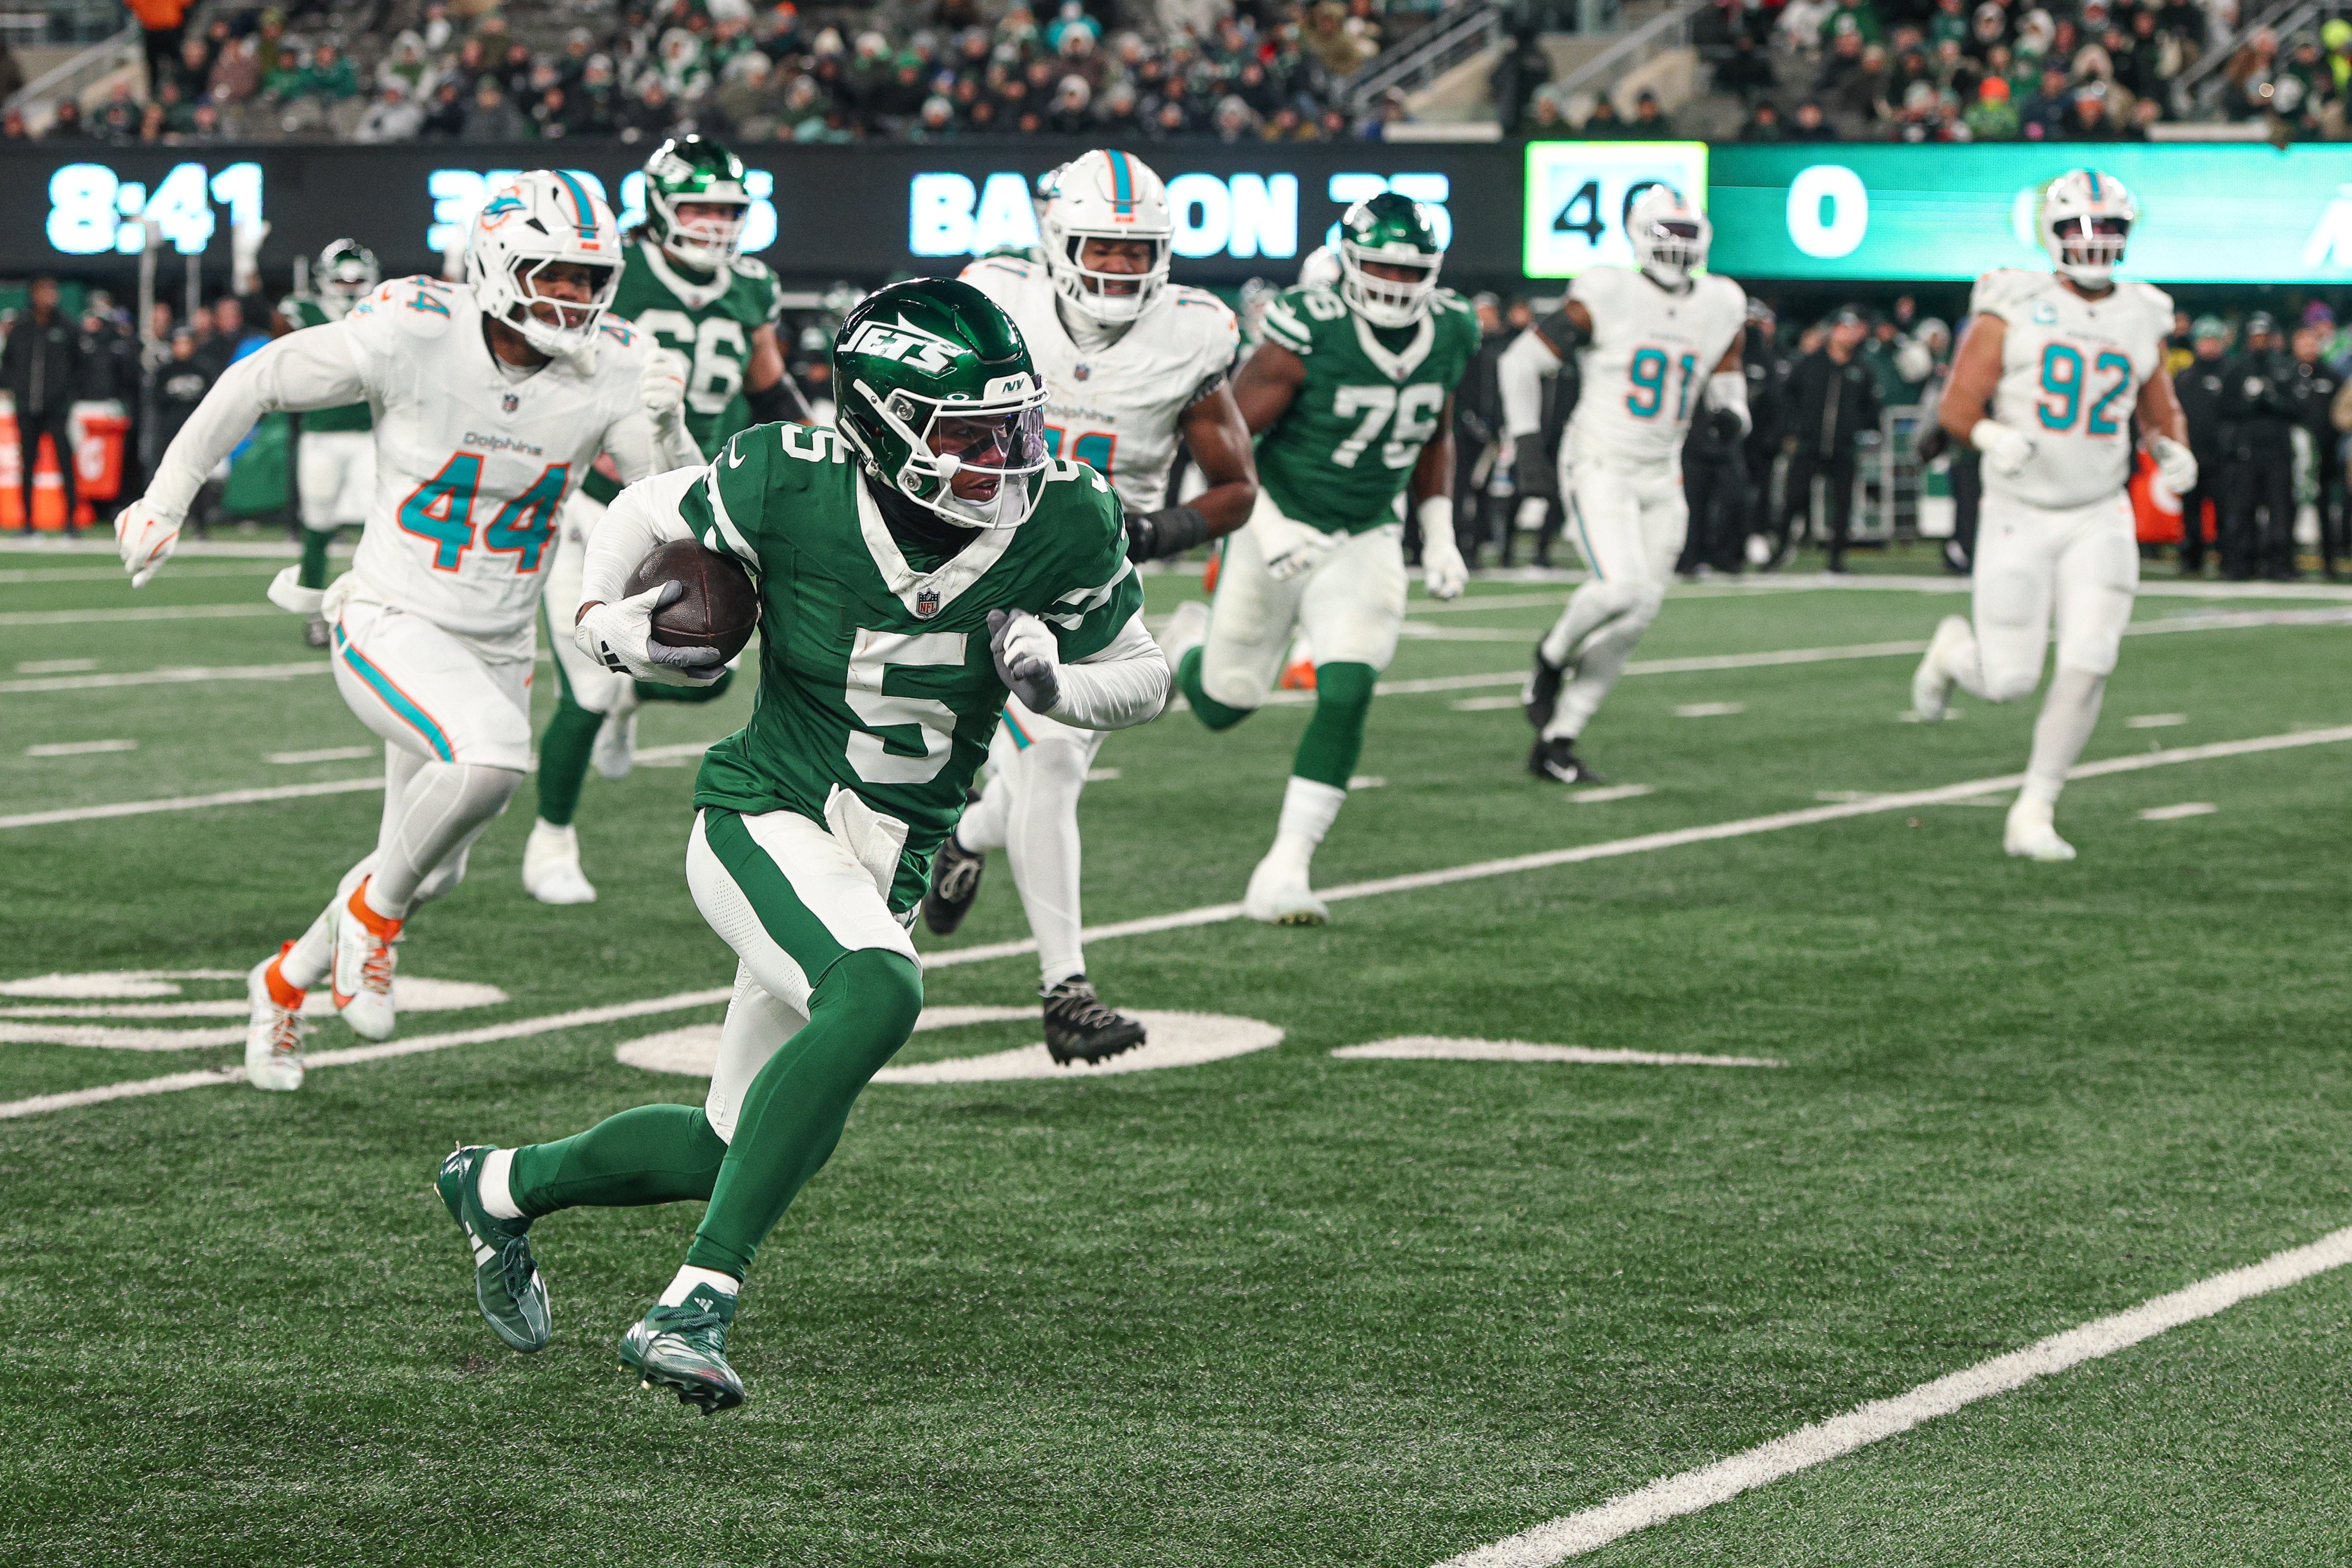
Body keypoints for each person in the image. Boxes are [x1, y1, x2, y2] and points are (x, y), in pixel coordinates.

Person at [433, 278, 1170, 1413]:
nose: (1006, 457)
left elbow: (1146, 673)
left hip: (894, 852)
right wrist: (599, 621)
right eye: (970, 436)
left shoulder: (1062, 513)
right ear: (881, 430)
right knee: (877, 994)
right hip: (766, 811)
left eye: (1014, 426)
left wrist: (1056, 682)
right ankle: (694, 1303)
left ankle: (500, 1186)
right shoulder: (788, 477)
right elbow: (638, 516)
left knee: (742, 1143)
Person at [114, 170, 705, 1092]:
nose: (577, 297)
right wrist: (166, 495)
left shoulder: (615, 367)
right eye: (557, 273)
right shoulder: (417, 331)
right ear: (500, 264)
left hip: (497, 643)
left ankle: (279, 983)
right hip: (390, 616)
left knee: (431, 866)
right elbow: (261, 377)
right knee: (491, 761)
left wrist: (673, 431)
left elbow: (677, 517)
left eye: (592, 279)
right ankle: (373, 921)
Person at [922, 150, 1259, 1059]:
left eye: (1135, 250)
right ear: (1057, 241)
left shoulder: (1192, 335)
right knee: (1052, 765)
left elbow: (1235, 489)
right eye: (1101, 248)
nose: (1118, 268)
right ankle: (1066, 988)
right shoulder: (993, 301)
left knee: (1043, 765)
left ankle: (965, 833)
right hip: (978, 568)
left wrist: (1149, 533)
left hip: (1093, 585)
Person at [1159, 193, 1475, 922]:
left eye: (1408, 270)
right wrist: (1265, 529)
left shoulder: (1453, 328)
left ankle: (1285, 868)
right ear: (1348, 261)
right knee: (1223, 704)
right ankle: (1185, 650)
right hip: (1280, 516)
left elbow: (1434, 430)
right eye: (1379, 267)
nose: (1394, 285)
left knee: (1347, 686)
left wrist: (1439, 529)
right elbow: (1222, 436)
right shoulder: (1309, 326)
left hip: (1365, 530)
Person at [526, 136, 812, 907]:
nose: (715, 224)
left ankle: (630, 702)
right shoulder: (614, 275)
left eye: (727, 209)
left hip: (699, 504)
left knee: (704, 669)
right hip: (602, 502)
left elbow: (767, 385)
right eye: (698, 207)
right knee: (586, 686)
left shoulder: (750, 285)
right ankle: (550, 837)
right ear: (659, 208)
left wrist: (815, 441)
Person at [1911, 170, 2194, 862]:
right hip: (2017, 509)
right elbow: (1954, 406)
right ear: (2051, 233)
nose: (2094, 243)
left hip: (2097, 511)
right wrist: (1986, 435)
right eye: (2079, 229)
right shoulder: (2011, 301)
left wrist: (2170, 450)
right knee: (2007, 680)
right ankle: (1952, 653)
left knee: (2090, 656)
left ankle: (2034, 806)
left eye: (2108, 230)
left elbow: (2156, 410)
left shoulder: (2141, 311)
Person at [1499, 186, 1748, 783]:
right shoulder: (1607, 291)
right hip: (1600, 461)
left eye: (1687, 235)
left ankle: (1558, 740)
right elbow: (1518, 363)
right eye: (1669, 233)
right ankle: (1550, 655)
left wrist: (1730, 416)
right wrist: (1528, 446)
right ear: (1640, 233)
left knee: (1638, 614)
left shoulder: (1720, 301)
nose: (1678, 247)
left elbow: (1729, 378)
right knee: (1619, 588)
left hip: (1662, 474)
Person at [276, 239, 381, 647]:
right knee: (317, 526)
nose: (350, 286)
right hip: (320, 434)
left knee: (378, 526)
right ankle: (315, 613)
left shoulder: (386, 310)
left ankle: (371, 609)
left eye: (357, 279)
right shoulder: (302, 311)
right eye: (341, 278)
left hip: (370, 435)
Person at [1779, 307, 1879, 572]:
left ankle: (1837, 560)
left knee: (1843, 505)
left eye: (1851, 329)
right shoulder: (1809, 365)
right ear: (1832, 331)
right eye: (1842, 328)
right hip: (1809, 445)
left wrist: (1859, 428)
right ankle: (1779, 551)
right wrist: (1794, 429)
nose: (1847, 335)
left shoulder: (1861, 369)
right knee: (1794, 499)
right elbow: (1789, 398)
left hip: (1843, 448)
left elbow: (1871, 407)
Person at [2, 278, 87, 534]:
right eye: (43, 291)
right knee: (28, 464)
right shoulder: (22, 327)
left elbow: (80, 365)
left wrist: (67, 394)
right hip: (28, 409)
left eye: (52, 291)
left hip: (58, 409)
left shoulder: (67, 327)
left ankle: (71, 520)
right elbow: (8, 364)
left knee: (65, 462)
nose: (49, 296)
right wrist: (17, 390)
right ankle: (27, 521)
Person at [2216, 312, 2295, 581]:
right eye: (2255, 337)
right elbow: (2224, 409)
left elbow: (2298, 409)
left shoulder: (2284, 368)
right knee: (2242, 509)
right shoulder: (2235, 370)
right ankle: (2241, 563)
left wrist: (2272, 398)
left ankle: (2280, 564)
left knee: (2281, 510)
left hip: (2277, 451)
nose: (2260, 342)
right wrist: (2249, 403)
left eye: (2264, 337)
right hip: (2245, 452)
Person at [2170, 316, 2230, 577]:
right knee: (2191, 511)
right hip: (2191, 452)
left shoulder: (2231, 373)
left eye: (2213, 341)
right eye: (2204, 341)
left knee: (2226, 511)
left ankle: (2227, 558)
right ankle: (2191, 558)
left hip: (2223, 455)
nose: (2208, 346)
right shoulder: (2184, 378)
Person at [2286, 321, 2341, 579]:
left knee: (2325, 507)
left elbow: (2341, 413)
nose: (2308, 347)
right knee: (2288, 506)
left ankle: (2330, 560)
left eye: (2312, 342)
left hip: (2325, 455)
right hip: (2288, 458)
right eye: (2303, 342)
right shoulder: (2285, 374)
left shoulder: (2332, 376)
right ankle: (2286, 561)